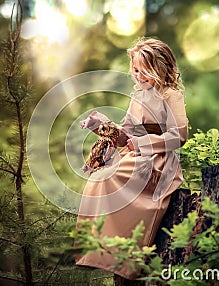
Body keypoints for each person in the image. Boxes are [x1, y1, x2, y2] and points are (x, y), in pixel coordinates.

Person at [75, 37, 189, 280]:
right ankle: (99, 251)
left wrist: (143, 143)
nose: (137, 75)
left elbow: (179, 135)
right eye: (135, 70)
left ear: (159, 68)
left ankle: (126, 259)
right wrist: (101, 127)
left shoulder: (171, 95)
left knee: (118, 174)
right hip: (134, 154)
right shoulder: (138, 96)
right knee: (99, 177)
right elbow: (125, 135)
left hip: (157, 160)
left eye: (143, 71)